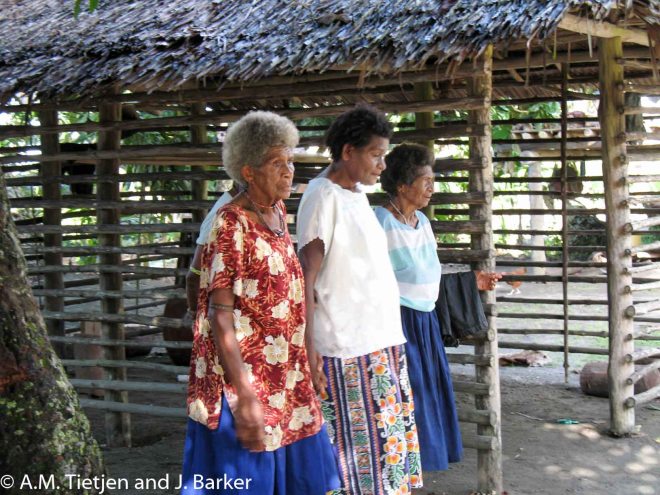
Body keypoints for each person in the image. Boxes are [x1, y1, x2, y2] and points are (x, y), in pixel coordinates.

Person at [182, 111, 340, 495]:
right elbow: (219, 316)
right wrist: (245, 396)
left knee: (304, 478)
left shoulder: (277, 212)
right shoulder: (230, 223)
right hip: (244, 379)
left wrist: (308, 354)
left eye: (290, 161)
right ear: (248, 172)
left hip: (284, 374)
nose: (288, 171)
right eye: (276, 163)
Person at [297, 105, 422, 495]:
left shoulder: (355, 195)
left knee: (387, 459)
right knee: (357, 465)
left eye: (384, 155)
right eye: (375, 154)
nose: (382, 165)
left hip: (379, 342)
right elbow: (307, 277)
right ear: (348, 151)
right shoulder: (322, 196)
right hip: (346, 348)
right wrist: (309, 348)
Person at [375, 143, 501, 471]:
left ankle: (417, 468)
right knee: (406, 396)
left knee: (427, 394)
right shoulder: (380, 222)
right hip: (397, 324)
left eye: (433, 181)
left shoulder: (422, 223)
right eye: (426, 181)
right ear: (403, 185)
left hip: (425, 323)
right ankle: (398, 470)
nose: (432, 188)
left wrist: (471, 282)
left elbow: (428, 276)